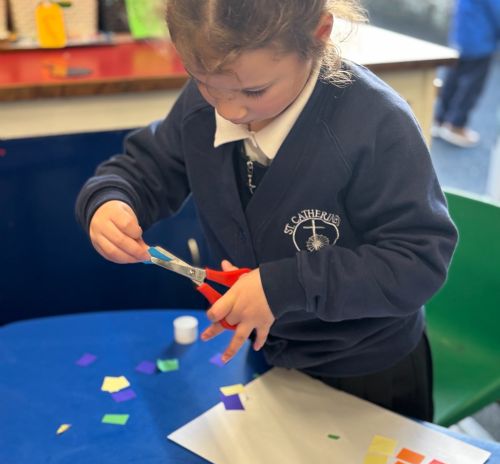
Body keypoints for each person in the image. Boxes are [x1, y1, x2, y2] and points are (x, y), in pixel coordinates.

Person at [76, 0, 458, 421]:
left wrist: (284, 286)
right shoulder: (209, 102)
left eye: (254, 91)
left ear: (318, 35)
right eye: (203, 82)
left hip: (367, 368)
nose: (228, 110)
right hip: (267, 353)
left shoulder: (376, 125)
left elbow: (418, 261)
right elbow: (148, 166)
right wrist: (112, 199)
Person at [434, 0, 500, 148]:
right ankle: (456, 125)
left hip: (462, 35)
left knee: (452, 78)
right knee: (471, 86)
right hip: (481, 40)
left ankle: (439, 119)